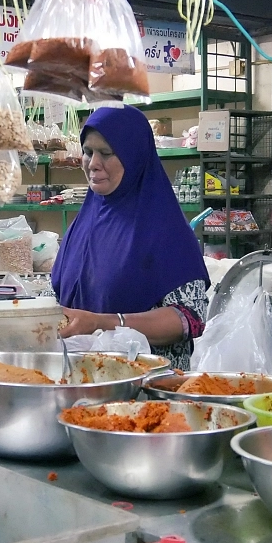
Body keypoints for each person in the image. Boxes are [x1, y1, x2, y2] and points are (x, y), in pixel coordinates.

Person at [52, 105, 210, 369]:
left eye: (106, 153)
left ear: (134, 156)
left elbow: (188, 318)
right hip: (84, 379)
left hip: (147, 388)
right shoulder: (84, 222)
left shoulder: (163, 227)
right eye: (88, 152)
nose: (93, 164)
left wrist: (103, 322)